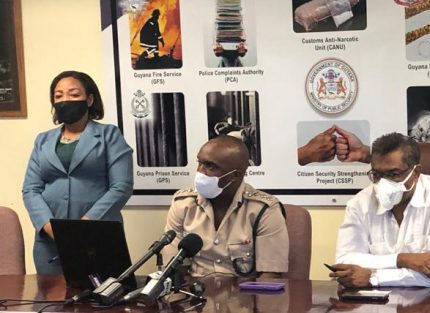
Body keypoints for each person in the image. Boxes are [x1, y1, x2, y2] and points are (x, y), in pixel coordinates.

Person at [22, 71, 134, 274]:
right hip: (49, 240)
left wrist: (84, 226)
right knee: (52, 302)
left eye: (73, 94)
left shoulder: (110, 135)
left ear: (89, 99)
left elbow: (121, 186)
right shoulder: (43, 140)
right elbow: (31, 188)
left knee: (101, 300)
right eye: (58, 96)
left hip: (98, 234)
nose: (65, 100)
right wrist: (49, 226)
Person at [330, 133, 430, 287]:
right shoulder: (359, 203)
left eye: (393, 174)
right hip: (374, 304)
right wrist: (402, 259)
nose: (383, 183)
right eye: (377, 175)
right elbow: (344, 262)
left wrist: (374, 278)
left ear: (416, 172)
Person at [163, 136, 288, 278]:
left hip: (244, 297)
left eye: (210, 166)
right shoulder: (183, 204)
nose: (200, 172)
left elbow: (270, 276)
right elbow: (172, 271)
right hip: (195, 295)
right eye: (200, 163)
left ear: (235, 175)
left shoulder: (264, 210)